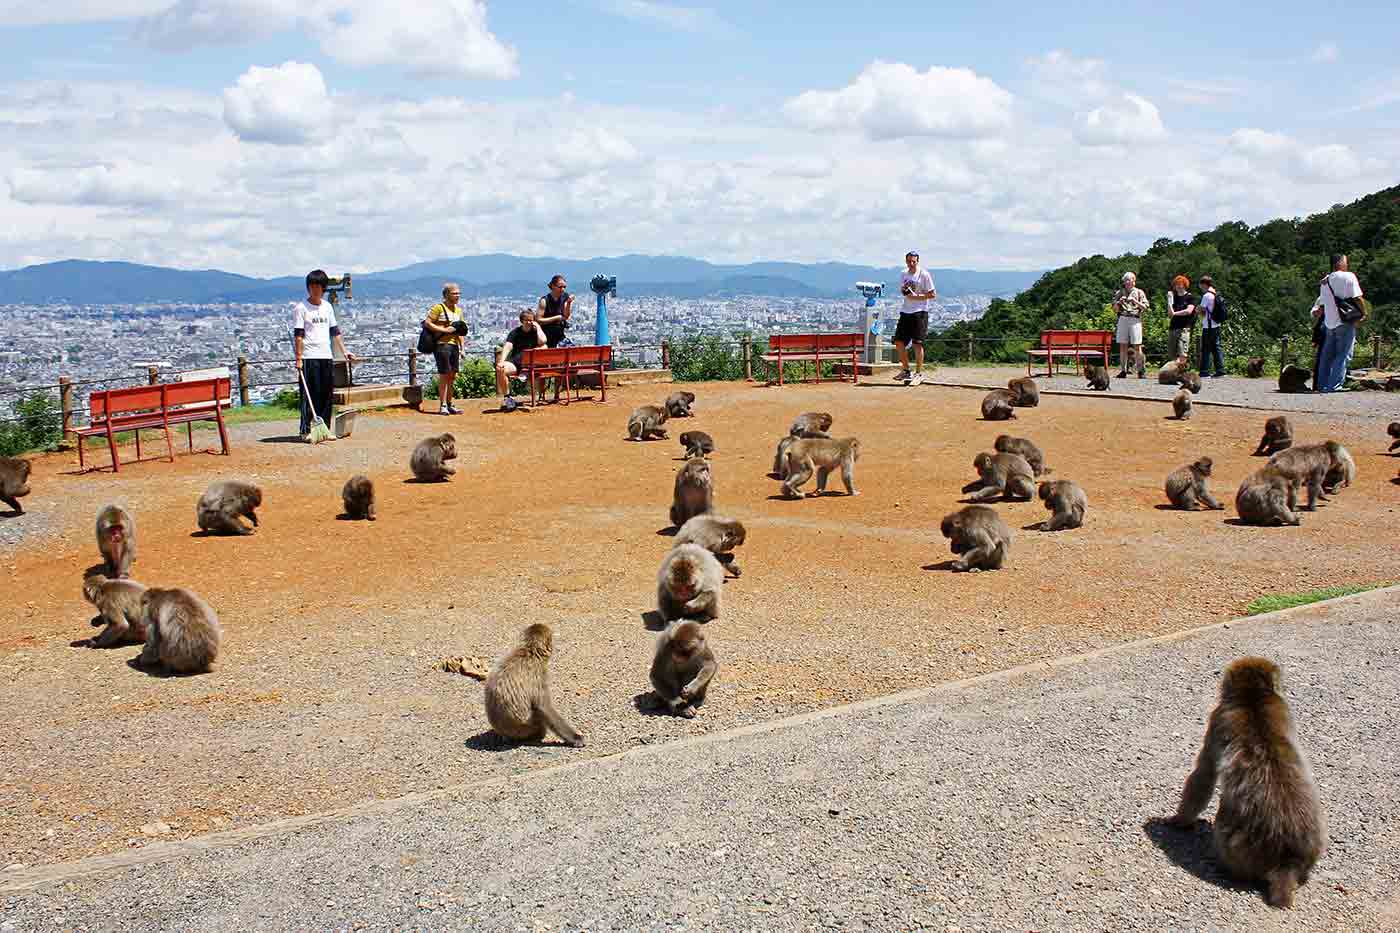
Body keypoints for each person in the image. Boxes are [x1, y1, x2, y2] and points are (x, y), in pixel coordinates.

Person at [293, 269, 356, 442]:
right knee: (309, 395)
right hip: (308, 356)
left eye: (318, 286)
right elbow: (298, 334)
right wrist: (298, 358)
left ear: (323, 288)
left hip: (326, 355)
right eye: (311, 286)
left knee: (326, 393)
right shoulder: (301, 308)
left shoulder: (327, 307)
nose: (314, 290)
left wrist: (344, 351)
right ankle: (306, 429)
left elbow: (335, 332)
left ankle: (325, 429)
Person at [1312, 253, 1364, 393]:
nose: (1347, 264)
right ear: (1340, 263)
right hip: (1345, 321)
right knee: (1343, 354)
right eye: (1346, 261)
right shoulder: (1349, 276)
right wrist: (1363, 313)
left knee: (1327, 355)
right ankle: (1335, 385)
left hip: (1329, 323)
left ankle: (1321, 385)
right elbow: (1358, 298)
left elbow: (1322, 304)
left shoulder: (1325, 280)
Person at [423, 282, 467, 415]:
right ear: (446, 294)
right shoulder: (438, 308)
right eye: (454, 293)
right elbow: (427, 323)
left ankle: (450, 403)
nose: (457, 295)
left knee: (452, 376)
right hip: (442, 345)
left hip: (454, 345)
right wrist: (443, 330)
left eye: (458, 293)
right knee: (444, 375)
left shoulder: (458, 310)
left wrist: (462, 347)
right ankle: (442, 405)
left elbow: (460, 330)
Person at [894, 250, 936, 385]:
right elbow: (903, 290)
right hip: (906, 310)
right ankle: (906, 370)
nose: (911, 264)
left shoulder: (924, 274)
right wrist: (905, 291)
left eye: (914, 261)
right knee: (899, 342)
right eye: (909, 261)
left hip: (920, 311)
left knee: (917, 343)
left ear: (917, 262)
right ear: (906, 261)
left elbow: (932, 294)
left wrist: (918, 297)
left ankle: (919, 373)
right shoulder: (903, 273)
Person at [495, 309, 547, 411]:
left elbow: (543, 341)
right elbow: (508, 346)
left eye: (531, 320)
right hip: (516, 364)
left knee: (543, 347)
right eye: (526, 320)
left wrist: (539, 328)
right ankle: (507, 398)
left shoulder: (536, 332)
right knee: (500, 369)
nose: (529, 322)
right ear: (521, 321)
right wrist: (501, 361)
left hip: (533, 365)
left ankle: (525, 371)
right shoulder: (515, 332)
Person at [535, 274, 573, 402]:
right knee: (543, 367)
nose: (563, 289)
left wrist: (568, 304)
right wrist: (555, 318)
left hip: (559, 336)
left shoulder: (565, 297)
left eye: (564, 287)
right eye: (560, 286)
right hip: (545, 337)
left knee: (560, 366)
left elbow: (566, 316)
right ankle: (542, 394)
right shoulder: (544, 300)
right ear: (552, 286)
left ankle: (556, 393)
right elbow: (538, 319)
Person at [1112, 272, 1149, 378]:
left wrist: (1134, 301)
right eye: (1125, 280)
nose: (1127, 282)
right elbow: (1114, 309)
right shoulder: (1119, 292)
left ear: (1134, 281)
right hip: (1123, 318)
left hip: (1135, 319)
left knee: (1137, 345)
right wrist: (1118, 302)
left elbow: (1145, 307)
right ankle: (1123, 370)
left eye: (1129, 280)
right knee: (1122, 345)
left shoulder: (1139, 292)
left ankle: (1141, 370)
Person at [1197, 275, 1225, 377]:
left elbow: (1202, 311)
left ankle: (1204, 371)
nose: (1200, 286)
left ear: (1204, 284)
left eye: (1200, 284)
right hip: (1216, 324)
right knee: (1216, 348)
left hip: (1208, 325)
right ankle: (1220, 370)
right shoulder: (1215, 293)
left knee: (1206, 349)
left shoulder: (1206, 296)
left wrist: (1198, 310)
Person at [1167, 275, 1197, 361]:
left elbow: (1189, 311)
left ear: (1185, 285)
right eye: (1176, 284)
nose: (1178, 286)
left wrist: (1175, 313)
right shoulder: (1174, 297)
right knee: (1171, 353)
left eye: (1180, 284)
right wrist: (1169, 301)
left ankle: (1182, 373)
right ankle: (1174, 373)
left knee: (1182, 353)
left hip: (1184, 328)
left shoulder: (1190, 297)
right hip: (1173, 328)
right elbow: (1170, 314)